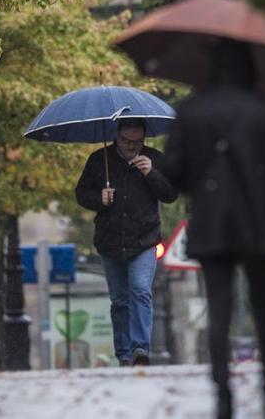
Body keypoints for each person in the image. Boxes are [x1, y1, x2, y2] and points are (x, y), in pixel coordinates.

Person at [163, 39, 265, 419]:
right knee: (264, 310)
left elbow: (175, 174)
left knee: (220, 308)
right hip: (259, 223)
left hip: (212, 223)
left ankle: (223, 395)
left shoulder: (192, 111)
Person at [75, 118, 178, 366]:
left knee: (141, 291)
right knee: (120, 300)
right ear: (117, 136)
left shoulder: (154, 159)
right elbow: (81, 194)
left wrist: (150, 173)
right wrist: (99, 198)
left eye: (137, 142)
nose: (132, 146)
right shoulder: (100, 160)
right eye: (126, 141)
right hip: (111, 241)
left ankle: (140, 349)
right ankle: (123, 353)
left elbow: (170, 194)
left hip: (144, 241)